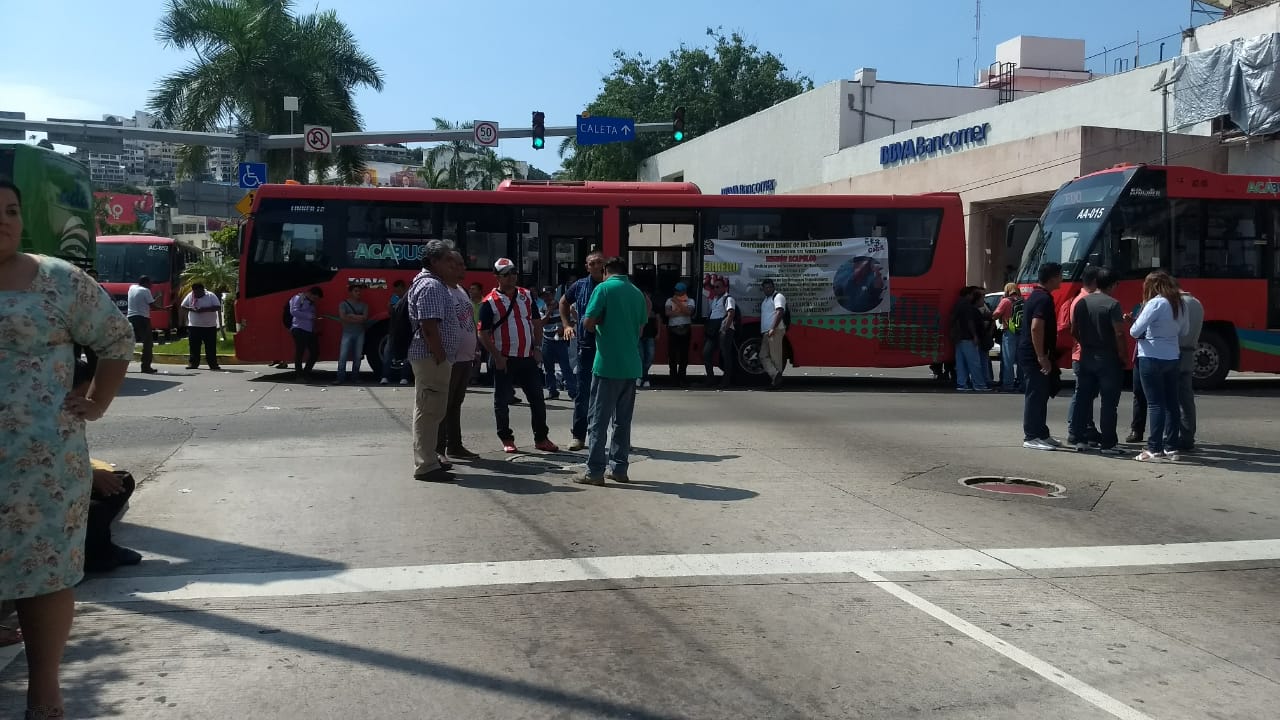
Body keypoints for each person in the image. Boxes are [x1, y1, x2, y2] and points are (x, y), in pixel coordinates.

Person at [0, 179, 134, 720]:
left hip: (40, 466)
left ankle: (44, 697)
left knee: (44, 575)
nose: (5, 219)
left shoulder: (56, 278)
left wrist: (98, 401)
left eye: (11, 210)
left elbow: (116, 339)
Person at [576, 257, 648, 485]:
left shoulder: (603, 289)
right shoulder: (637, 293)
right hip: (631, 366)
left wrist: (599, 322)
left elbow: (588, 323)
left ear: (606, 271)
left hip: (607, 365)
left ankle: (594, 472)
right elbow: (640, 327)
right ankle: (619, 468)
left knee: (598, 421)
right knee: (622, 422)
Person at [479, 258, 559, 454]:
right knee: (502, 400)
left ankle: (541, 438)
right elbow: (482, 333)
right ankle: (506, 438)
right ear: (497, 277)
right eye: (506, 274)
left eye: (514, 273)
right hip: (504, 358)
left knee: (538, 400)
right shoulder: (489, 302)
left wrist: (538, 348)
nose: (512, 277)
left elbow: (536, 322)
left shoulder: (526, 296)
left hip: (527, 356)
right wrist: (496, 356)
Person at [407, 240, 462, 482]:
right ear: (434, 262)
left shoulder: (433, 284)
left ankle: (429, 458)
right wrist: (440, 355)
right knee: (429, 411)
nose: (453, 265)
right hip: (431, 359)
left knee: (429, 409)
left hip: (432, 358)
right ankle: (426, 465)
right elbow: (429, 327)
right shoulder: (431, 286)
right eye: (448, 260)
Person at [1129, 271, 1190, 462]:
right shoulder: (1180, 303)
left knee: (1155, 404)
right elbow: (1185, 330)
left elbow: (1134, 331)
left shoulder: (1155, 303)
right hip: (1172, 356)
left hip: (1151, 355)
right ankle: (1171, 447)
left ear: (1152, 286)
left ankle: (1154, 448)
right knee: (1172, 403)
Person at [1069, 267, 1127, 453]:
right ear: (1112, 284)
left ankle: (1079, 438)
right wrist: (1122, 355)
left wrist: (1084, 341)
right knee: (1109, 402)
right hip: (1107, 357)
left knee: (1083, 399)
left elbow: (1073, 330)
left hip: (1086, 355)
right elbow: (1118, 332)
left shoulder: (1081, 302)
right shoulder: (1113, 304)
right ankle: (1108, 442)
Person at [436, 250, 481, 464]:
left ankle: (455, 445)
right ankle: (438, 450)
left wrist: (475, 347)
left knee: (455, 403)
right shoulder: (441, 290)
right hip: (449, 359)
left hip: (465, 358)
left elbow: (469, 321)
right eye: (460, 264)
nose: (464, 268)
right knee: (442, 405)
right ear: (448, 266)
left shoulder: (461, 291)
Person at [560, 252, 605, 450]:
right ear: (587, 267)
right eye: (592, 263)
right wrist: (567, 325)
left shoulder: (610, 285)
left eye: (599, 263)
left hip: (608, 346)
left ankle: (611, 439)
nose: (596, 266)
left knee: (608, 394)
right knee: (583, 393)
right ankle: (578, 436)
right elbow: (563, 302)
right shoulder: (579, 285)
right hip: (586, 345)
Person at [1018, 263, 1063, 450]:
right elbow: (1036, 327)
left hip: (1035, 353)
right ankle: (1031, 436)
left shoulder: (1038, 296)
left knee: (1042, 394)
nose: (1061, 279)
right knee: (1036, 394)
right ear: (1052, 278)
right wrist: (1041, 356)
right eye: (1060, 276)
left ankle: (1042, 433)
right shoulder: (1043, 299)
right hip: (1034, 355)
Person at [1172, 288, 1204, 453]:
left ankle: (1171, 437)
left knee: (1170, 398)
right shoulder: (1197, 303)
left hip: (1174, 352)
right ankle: (1188, 436)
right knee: (1186, 398)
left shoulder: (1176, 304)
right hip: (1189, 352)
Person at [950, 286, 989, 392]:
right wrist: (974, 335)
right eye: (972, 294)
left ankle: (961, 384)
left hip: (958, 337)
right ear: (968, 294)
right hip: (967, 337)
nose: (973, 296)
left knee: (961, 362)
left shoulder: (958, 304)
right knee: (974, 362)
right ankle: (979, 384)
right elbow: (970, 321)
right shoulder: (967, 306)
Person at [539, 286, 575, 400]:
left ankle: (573, 392)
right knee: (548, 367)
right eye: (544, 296)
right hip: (547, 339)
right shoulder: (542, 308)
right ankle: (552, 391)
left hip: (560, 340)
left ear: (554, 294)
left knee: (565, 367)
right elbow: (541, 323)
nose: (547, 297)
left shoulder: (563, 306)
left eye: (549, 294)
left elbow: (571, 322)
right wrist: (549, 311)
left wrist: (564, 329)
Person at [126, 274, 165, 374]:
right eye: (150, 284)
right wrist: (163, 307)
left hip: (130, 317)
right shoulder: (145, 290)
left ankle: (120, 366)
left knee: (128, 343)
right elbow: (153, 306)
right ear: (146, 283)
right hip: (142, 319)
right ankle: (146, 367)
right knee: (148, 344)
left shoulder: (132, 287)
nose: (151, 286)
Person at [703, 276, 737, 387]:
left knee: (725, 355)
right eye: (714, 287)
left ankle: (726, 381)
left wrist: (724, 329)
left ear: (724, 288)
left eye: (718, 287)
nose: (715, 289)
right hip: (713, 330)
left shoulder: (728, 298)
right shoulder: (714, 299)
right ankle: (710, 379)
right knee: (706, 353)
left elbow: (731, 313)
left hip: (724, 330)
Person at [180, 282, 222, 371]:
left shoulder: (211, 296)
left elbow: (218, 307)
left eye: (198, 293)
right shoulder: (191, 295)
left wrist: (204, 309)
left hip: (209, 326)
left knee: (210, 347)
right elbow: (183, 306)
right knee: (194, 347)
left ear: (203, 290)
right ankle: (193, 364)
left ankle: (213, 364)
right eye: (195, 292)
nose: (196, 295)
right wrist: (191, 309)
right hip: (194, 326)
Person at [334, 283, 369, 385]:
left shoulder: (364, 305)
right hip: (347, 333)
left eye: (359, 291)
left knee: (357, 357)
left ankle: (355, 378)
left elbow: (365, 318)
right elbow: (343, 318)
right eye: (356, 291)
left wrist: (351, 316)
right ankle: (340, 378)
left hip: (360, 333)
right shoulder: (343, 304)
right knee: (343, 356)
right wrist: (358, 317)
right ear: (350, 292)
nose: (358, 293)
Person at [991, 283, 1023, 392]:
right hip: (1021, 332)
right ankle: (1021, 383)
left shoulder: (1006, 301)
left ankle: (1008, 385)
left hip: (1010, 331)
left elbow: (996, 314)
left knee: (1008, 360)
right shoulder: (1022, 300)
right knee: (1020, 360)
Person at [381, 279, 413, 386]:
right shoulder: (394, 298)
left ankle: (404, 377)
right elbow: (390, 313)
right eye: (395, 291)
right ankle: (385, 376)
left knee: (406, 356)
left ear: (403, 288)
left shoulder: (409, 299)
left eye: (398, 291)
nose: (396, 293)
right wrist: (390, 306)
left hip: (406, 331)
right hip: (393, 331)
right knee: (388, 354)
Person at [289, 286, 323, 379]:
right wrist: (309, 316)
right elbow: (293, 311)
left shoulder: (311, 303)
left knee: (315, 352)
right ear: (310, 293)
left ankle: (306, 372)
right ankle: (299, 375)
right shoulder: (298, 298)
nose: (315, 300)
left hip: (309, 330)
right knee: (300, 352)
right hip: (299, 328)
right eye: (315, 297)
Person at [665, 282, 695, 385]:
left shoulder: (690, 301)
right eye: (676, 290)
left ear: (684, 291)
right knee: (672, 354)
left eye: (679, 291)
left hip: (686, 328)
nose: (676, 292)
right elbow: (668, 313)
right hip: (673, 329)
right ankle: (673, 378)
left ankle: (682, 377)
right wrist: (682, 310)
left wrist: (677, 304)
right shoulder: (669, 300)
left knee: (684, 355)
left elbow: (689, 312)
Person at [759, 278, 788, 388]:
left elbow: (779, 312)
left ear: (773, 287)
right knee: (763, 355)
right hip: (767, 332)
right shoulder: (766, 299)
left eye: (770, 287)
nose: (768, 289)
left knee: (775, 357)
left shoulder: (778, 297)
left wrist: (772, 328)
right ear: (763, 289)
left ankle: (776, 381)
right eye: (766, 287)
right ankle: (775, 376)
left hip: (775, 330)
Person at [638, 289, 658, 388]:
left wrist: (658, 333)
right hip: (638, 336)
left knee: (650, 357)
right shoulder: (636, 307)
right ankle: (645, 378)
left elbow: (658, 319)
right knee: (641, 358)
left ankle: (641, 377)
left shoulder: (651, 306)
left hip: (650, 335)